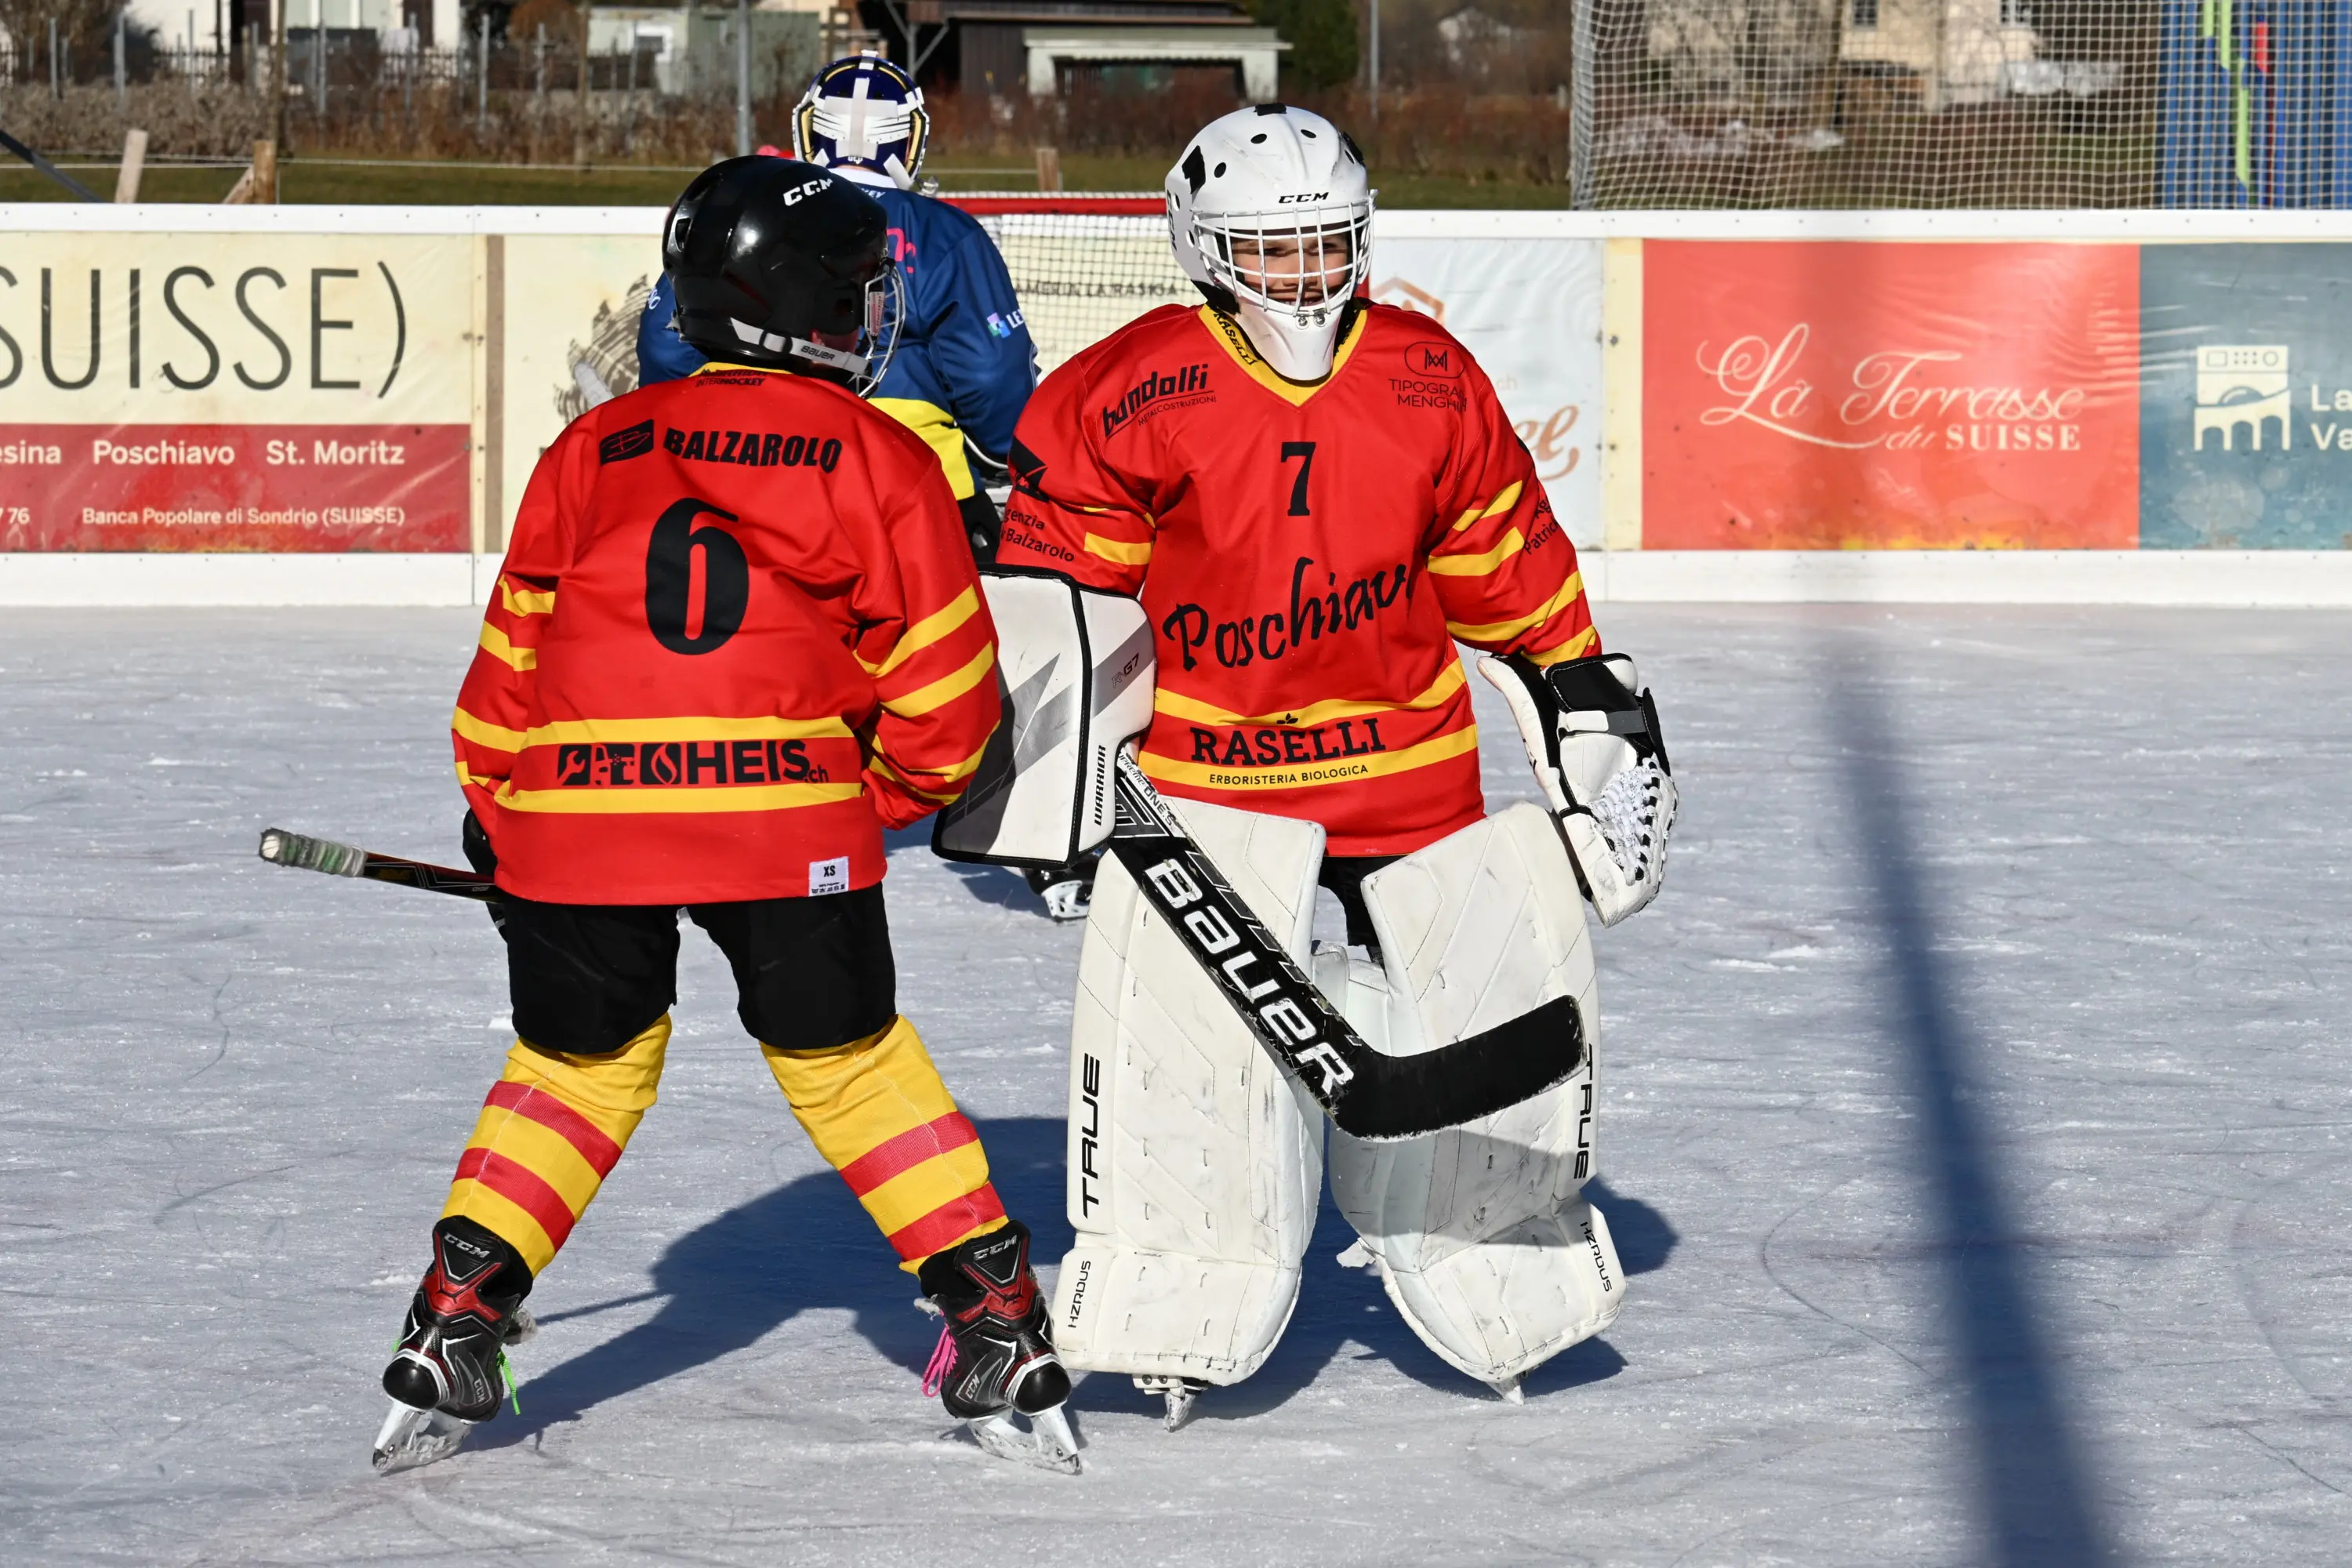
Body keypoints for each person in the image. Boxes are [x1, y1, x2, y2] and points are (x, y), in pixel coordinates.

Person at [373, 158, 1075, 1476]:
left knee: (575, 1067)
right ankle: (994, 1321)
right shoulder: (876, 453)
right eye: (860, 292)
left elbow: (505, 674)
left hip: (578, 818)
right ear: (795, 305)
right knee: (851, 1062)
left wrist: (500, 815)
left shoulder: (590, 447)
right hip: (783, 822)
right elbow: (945, 696)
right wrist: (872, 802)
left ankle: (460, 1312)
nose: (875, 315)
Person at [992, 105, 1679, 1416]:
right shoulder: (1121, 394)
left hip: (1409, 777)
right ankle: (1177, 1280)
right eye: (1273, 252)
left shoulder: (1429, 379)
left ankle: (1497, 1263)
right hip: (1202, 795)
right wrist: (1055, 801)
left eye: (1327, 249)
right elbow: (1062, 621)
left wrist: (1591, 733)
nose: (1305, 281)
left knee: (1484, 1016)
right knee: (1191, 1064)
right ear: (1203, 249)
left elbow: (1518, 583)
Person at [637, 55, 1091, 923]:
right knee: (990, 658)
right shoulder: (945, 234)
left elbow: (666, 353)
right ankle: (1033, 843)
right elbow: (993, 377)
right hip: (913, 493)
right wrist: (1007, 456)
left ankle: (709, 814)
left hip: (756, 484)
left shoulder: (751, 215)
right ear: (910, 139)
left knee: (750, 652)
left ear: (808, 129)